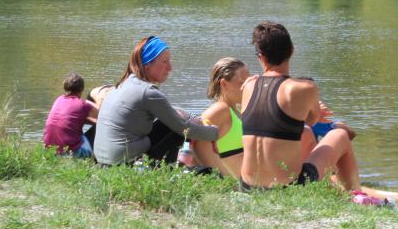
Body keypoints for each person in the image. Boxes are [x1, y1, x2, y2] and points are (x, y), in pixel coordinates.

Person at [239, 22, 362, 191]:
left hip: (247, 185)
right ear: (291, 50)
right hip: (288, 186)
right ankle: (356, 195)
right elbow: (311, 120)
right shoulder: (304, 87)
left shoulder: (248, 86)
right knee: (340, 135)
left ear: (260, 56)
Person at [94, 36, 219, 166]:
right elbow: (184, 128)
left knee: (169, 122)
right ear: (147, 64)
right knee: (180, 131)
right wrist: (215, 133)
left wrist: (192, 118)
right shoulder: (149, 92)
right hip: (124, 163)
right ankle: (172, 170)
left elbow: (169, 110)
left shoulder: (122, 85)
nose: (170, 67)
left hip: (102, 161)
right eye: (165, 61)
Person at [191, 57, 249, 178]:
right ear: (224, 84)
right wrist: (222, 180)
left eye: (248, 82)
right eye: (241, 82)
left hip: (246, 187)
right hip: (230, 190)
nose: (246, 87)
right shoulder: (220, 111)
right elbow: (197, 145)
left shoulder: (237, 111)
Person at [43, 72, 99, 157]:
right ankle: (98, 158)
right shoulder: (82, 104)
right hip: (71, 154)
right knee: (99, 126)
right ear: (82, 89)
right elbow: (103, 115)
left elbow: (70, 120)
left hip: (50, 152)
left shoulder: (59, 99)